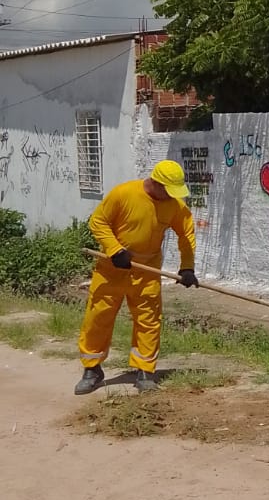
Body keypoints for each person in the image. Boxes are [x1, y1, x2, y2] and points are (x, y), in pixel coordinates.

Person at [75, 160, 199, 396]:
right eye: (169, 191)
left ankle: (144, 371)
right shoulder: (124, 194)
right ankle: (92, 369)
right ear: (156, 183)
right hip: (111, 268)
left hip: (147, 270)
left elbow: (186, 234)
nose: (172, 196)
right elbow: (98, 221)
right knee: (98, 317)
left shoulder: (173, 205)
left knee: (148, 319)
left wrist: (187, 268)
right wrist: (114, 249)